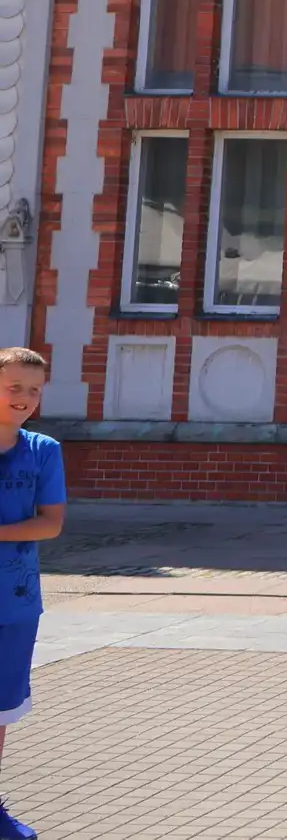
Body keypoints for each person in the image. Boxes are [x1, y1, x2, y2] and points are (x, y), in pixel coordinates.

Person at [0, 349, 63, 840]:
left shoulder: (44, 449)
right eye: (13, 387)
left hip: (16, 603)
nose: (24, 398)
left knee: (0, 709)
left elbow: (50, 523)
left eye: (34, 389)